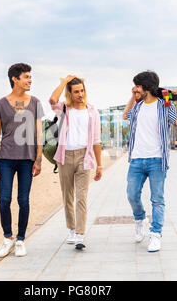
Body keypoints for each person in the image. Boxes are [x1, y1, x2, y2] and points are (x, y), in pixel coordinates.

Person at [123, 71, 177, 252]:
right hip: (136, 159)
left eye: (137, 86)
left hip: (157, 160)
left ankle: (156, 234)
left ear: (146, 87)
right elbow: (125, 115)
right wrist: (132, 95)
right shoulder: (138, 106)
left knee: (157, 199)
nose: (135, 88)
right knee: (132, 195)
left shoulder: (164, 105)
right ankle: (140, 219)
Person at [0, 63, 44, 258]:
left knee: (23, 200)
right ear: (15, 79)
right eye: (26, 77)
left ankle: (20, 239)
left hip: (27, 160)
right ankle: (7, 238)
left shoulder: (35, 103)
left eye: (30, 77)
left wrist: (38, 159)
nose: (30, 80)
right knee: (4, 200)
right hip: (5, 158)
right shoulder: (0, 104)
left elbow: (39, 133)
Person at [49, 75, 102, 250]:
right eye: (76, 91)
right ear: (70, 93)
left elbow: (96, 140)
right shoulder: (64, 109)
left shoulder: (92, 111)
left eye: (82, 90)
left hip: (84, 157)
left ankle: (80, 234)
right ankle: (71, 229)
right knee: (67, 196)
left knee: (82, 197)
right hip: (65, 156)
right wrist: (63, 81)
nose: (80, 94)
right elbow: (52, 100)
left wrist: (99, 165)